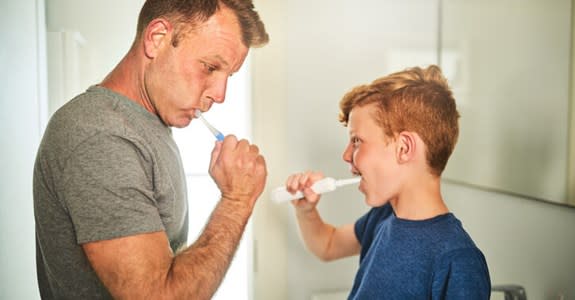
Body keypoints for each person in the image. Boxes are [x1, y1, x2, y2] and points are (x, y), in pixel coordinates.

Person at [33, 0, 268, 299]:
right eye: (210, 67)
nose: (220, 94)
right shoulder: (100, 136)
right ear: (157, 39)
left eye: (228, 76)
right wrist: (237, 200)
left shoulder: (147, 125)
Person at [284, 65, 491, 299]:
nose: (345, 154)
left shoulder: (457, 259)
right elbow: (328, 245)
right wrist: (307, 211)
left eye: (357, 141)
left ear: (404, 148)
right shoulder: (383, 217)